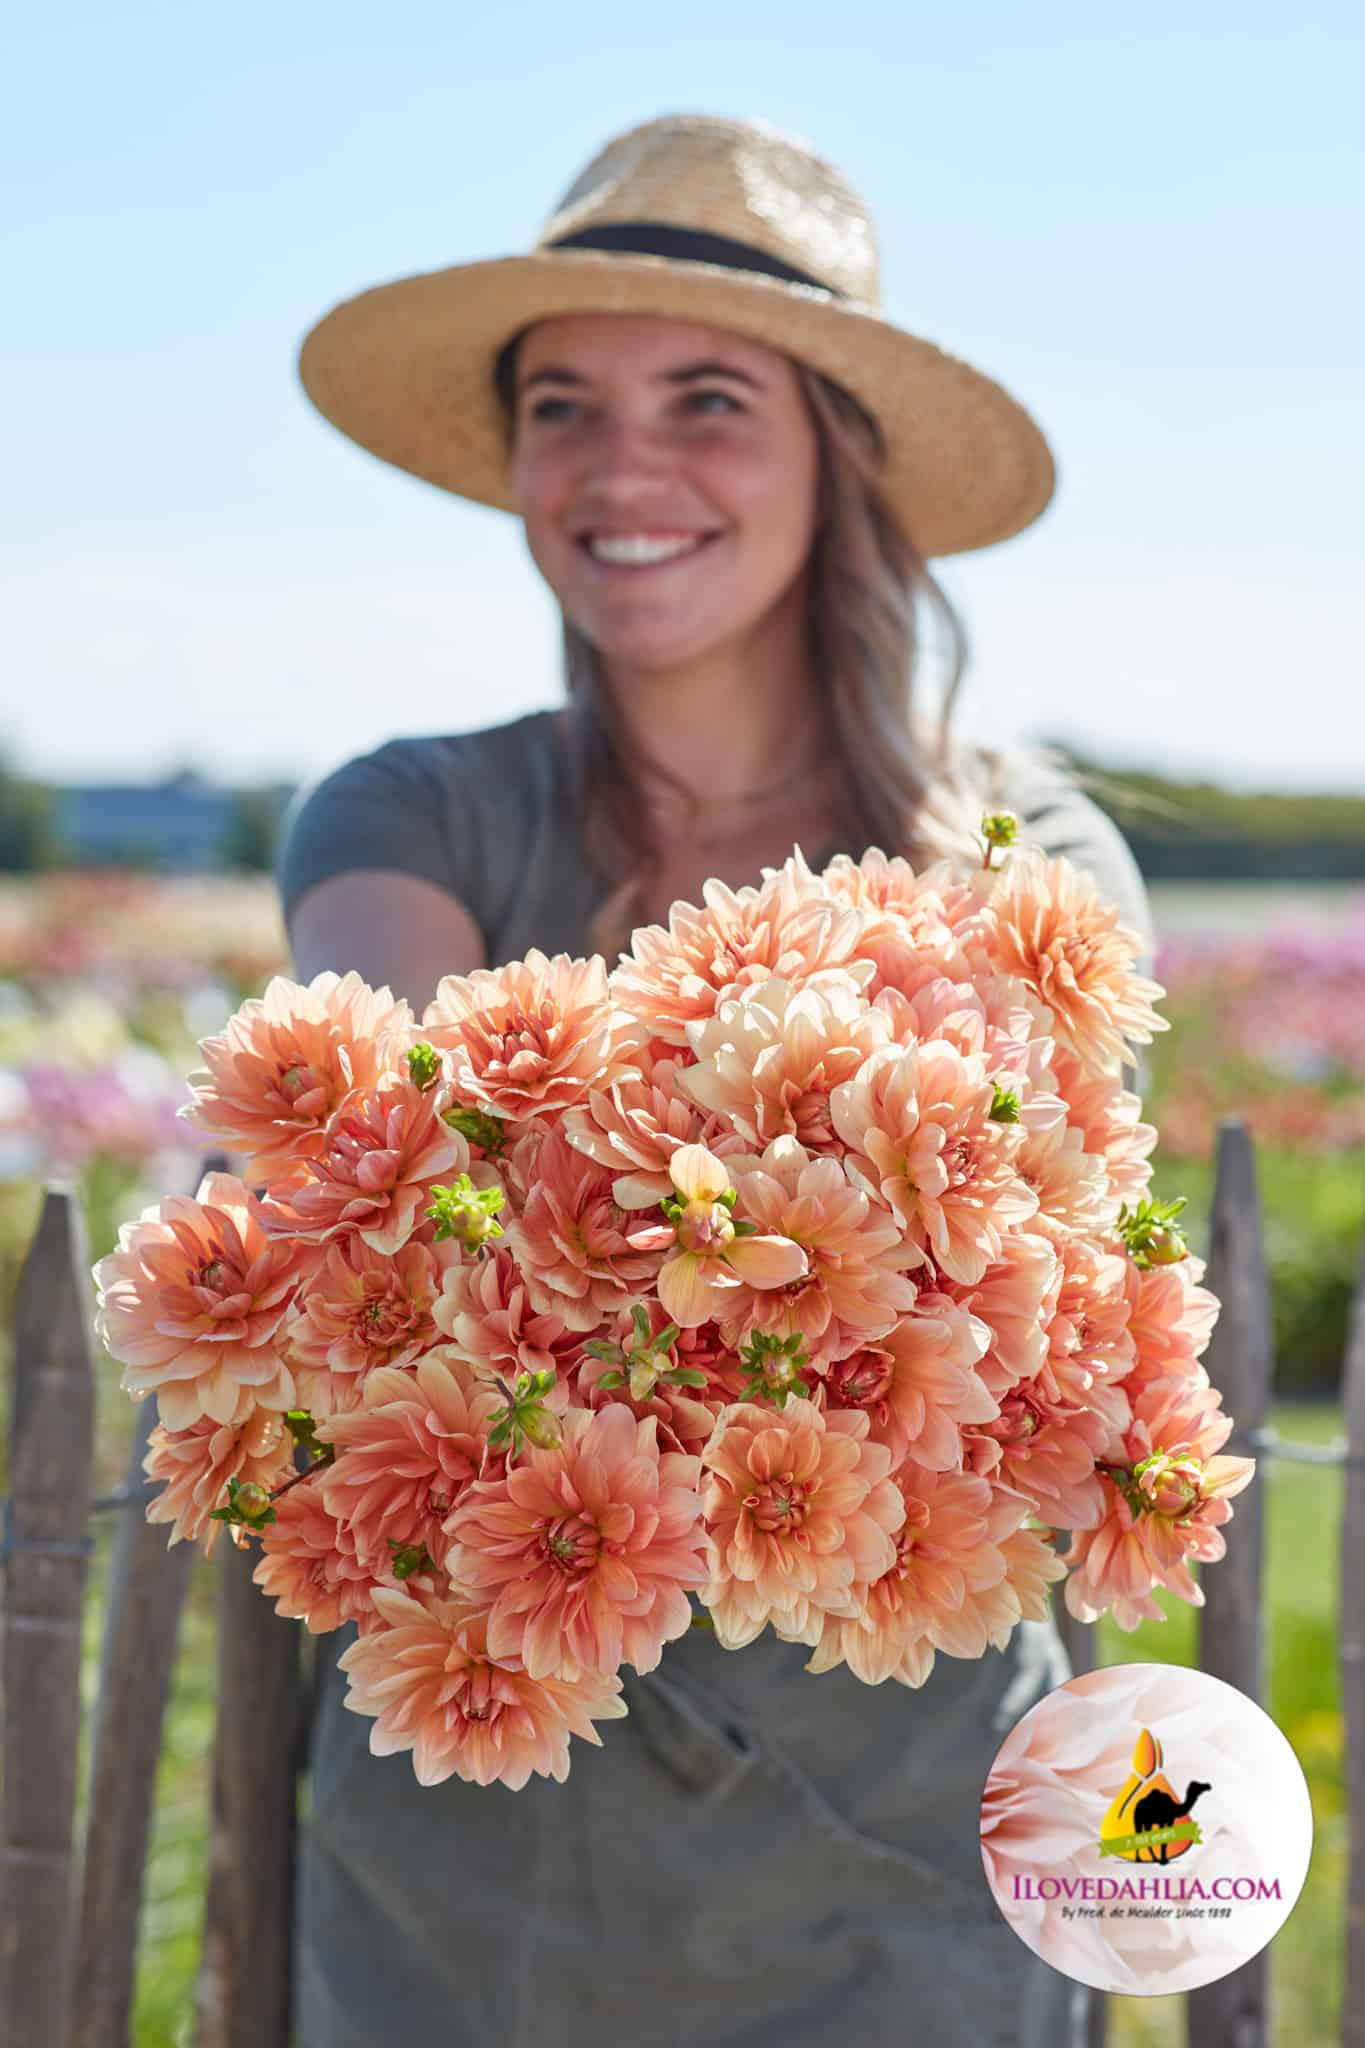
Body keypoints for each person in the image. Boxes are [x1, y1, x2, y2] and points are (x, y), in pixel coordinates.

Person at [278, 112, 1155, 2048]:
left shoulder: (1030, 850)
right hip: (478, 1819)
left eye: (704, 399)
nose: (621, 466)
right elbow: (379, 1145)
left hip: (907, 1825)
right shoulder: (409, 810)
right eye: (563, 406)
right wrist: (823, 1190)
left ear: (833, 457)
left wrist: (572, 1206)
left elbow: (1022, 1277)